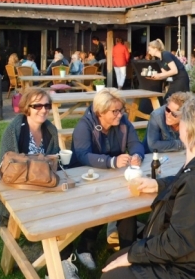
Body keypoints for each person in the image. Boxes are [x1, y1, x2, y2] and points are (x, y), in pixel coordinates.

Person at [101, 95, 195, 279]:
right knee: (116, 260)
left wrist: (134, 254)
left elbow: (178, 241)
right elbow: (188, 181)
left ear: (189, 128)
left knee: (114, 274)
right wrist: (159, 183)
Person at [71, 88, 145, 270]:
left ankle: (128, 251)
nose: (120, 115)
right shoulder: (84, 125)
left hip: (113, 175)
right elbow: (82, 155)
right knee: (101, 203)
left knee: (128, 204)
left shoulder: (123, 122)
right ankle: (84, 246)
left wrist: (137, 155)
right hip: (86, 178)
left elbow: (136, 143)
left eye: (121, 110)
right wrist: (111, 161)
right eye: (115, 111)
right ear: (100, 112)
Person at [0, 88, 60, 228]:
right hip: (17, 183)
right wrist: (41, 162)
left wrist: (55, 158)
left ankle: (63, 244)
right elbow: (6, 166)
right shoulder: (14, 130)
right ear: (27, 107)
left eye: (46, 105)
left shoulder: (51, 130)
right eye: (37, 105)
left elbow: (55, 159)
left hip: (43, 182)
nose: (43, 110)